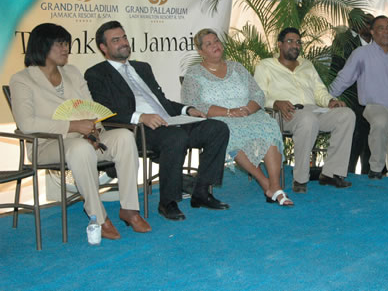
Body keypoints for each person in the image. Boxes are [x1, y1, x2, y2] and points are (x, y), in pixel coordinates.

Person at [9, 23, 150, 240]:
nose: (66, 49)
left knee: (123, 136)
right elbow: (27, 123)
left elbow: (90, 108)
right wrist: (73, 126)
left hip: (86, 137)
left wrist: (94, 131)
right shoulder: (22, 79)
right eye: (60, 44)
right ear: (42, 46)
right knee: (80, 148)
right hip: (47, 144)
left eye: (67, 44)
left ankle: (130, 208)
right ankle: (98, 217)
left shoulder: (73, 72)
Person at [84, 21, 230, 221]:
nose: (123, 43)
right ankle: (167, 202)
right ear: (103, 47)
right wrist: (141, 117)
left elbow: (162, 102)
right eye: (116, 40)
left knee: (218, 128)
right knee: (175, 137)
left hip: (168, 122)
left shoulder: (142, 67)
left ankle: (201, 192)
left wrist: (187, 109)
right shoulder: (96, 74)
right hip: (136, 129)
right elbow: (105, 112)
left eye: (124, 37)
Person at [181, 29, 292, 206]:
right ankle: (265, 183)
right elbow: (194, 104)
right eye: (208, 44)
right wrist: (229, 112)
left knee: (269, 126)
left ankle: (276, 186)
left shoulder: (237, 67)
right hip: (219, 120)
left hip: (247, 114)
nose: (215, 45)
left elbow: (258, 93)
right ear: (201, 52)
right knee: (230, 132)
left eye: (216, 41)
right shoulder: (194, 74)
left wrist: (248, 110)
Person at [254, 27, 355, 193]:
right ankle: (300, 178)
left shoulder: (307, 65)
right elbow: (258, 96)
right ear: (279, 44)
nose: (295, 45)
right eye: (290, 41)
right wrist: (275, 103)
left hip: (313, 110)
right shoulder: (265, 66)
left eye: (298, 42)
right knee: (308, 119)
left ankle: (331, 173)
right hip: (284, 114)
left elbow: (319, 91)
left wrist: (330, 101)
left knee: (347, 115)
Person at [330, 15, 388, 178]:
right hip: (374, 107)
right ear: (372, 32)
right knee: (380, 123)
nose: (386, 31)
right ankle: (375, 169)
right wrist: (326, 98)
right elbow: (344, 78)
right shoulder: (361, 54)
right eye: (381, 28)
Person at [330, 9, 374, 174]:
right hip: (350, 96)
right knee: (354, 136)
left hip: (370, 98)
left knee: (369, 137)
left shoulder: (375, 44)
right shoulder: (344, 39)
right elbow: (336, 68)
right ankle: (346, 171)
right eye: (364, 22)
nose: (367, 26)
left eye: (370, 23)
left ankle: (367, 172)